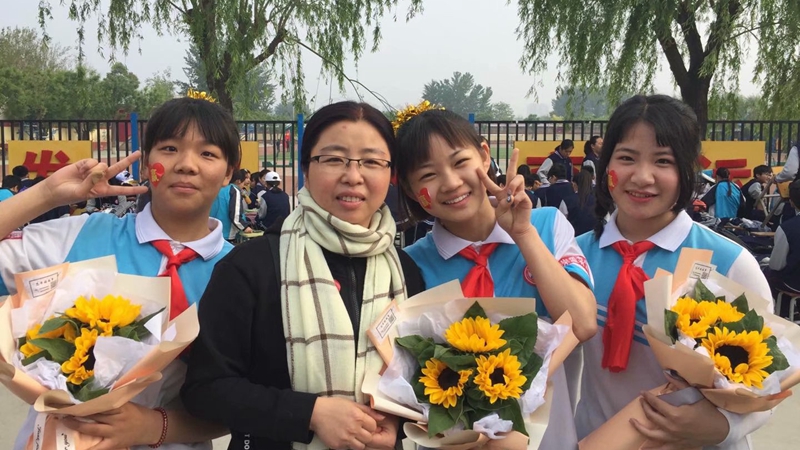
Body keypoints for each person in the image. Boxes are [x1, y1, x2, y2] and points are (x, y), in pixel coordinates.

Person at [181, 101, 425, 450]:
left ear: (391, 175)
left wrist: (397, 422)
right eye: (334, 159)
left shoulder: (406, 272)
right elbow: (204, 389)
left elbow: (422, 382)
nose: (353, 175)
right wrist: (309, 414)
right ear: (306, 169)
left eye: (371, 161)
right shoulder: (251, 267)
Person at [0, 96, 242, 450]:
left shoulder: (240, 273)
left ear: (229, 173)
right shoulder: (81, 236)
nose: (186, 165)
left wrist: (155, 427)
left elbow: (242, 401)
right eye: (170, 148)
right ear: (145, 166)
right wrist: (47, 194)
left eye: (207, 153)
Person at [575, 94, 773, 449]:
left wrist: (719, 426)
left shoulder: (729, 263)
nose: (642, 177)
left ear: (686, 170)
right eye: (626, 158)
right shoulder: (573, 258)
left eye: (663, 161)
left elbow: (768, 387)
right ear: (606, 166)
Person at [393, 108, 597, 449]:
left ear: (485, 155)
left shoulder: (546, 226)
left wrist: (523, 234)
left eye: (460, 162)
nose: (451, 183)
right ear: (412, 190)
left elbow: (583, 324)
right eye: (428, 175)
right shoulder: (411, 264)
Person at [769, 180, 800, 304]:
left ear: (791, 202)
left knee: (766, 272)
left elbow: (776, 265)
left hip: (794, 284)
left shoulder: (786, 228)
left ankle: (781, 312)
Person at [210, 170, 252, 241]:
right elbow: (235, 216)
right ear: (239, 181)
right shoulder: (234, 191)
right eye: (243, 183)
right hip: (228, 233)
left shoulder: (219, 189)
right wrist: (245, 227)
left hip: (213, 231)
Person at [570, 166, 596, 235]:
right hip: (593, 236)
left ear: (574, 184)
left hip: (573, 236)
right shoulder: (597, 199)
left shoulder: (568, 200)